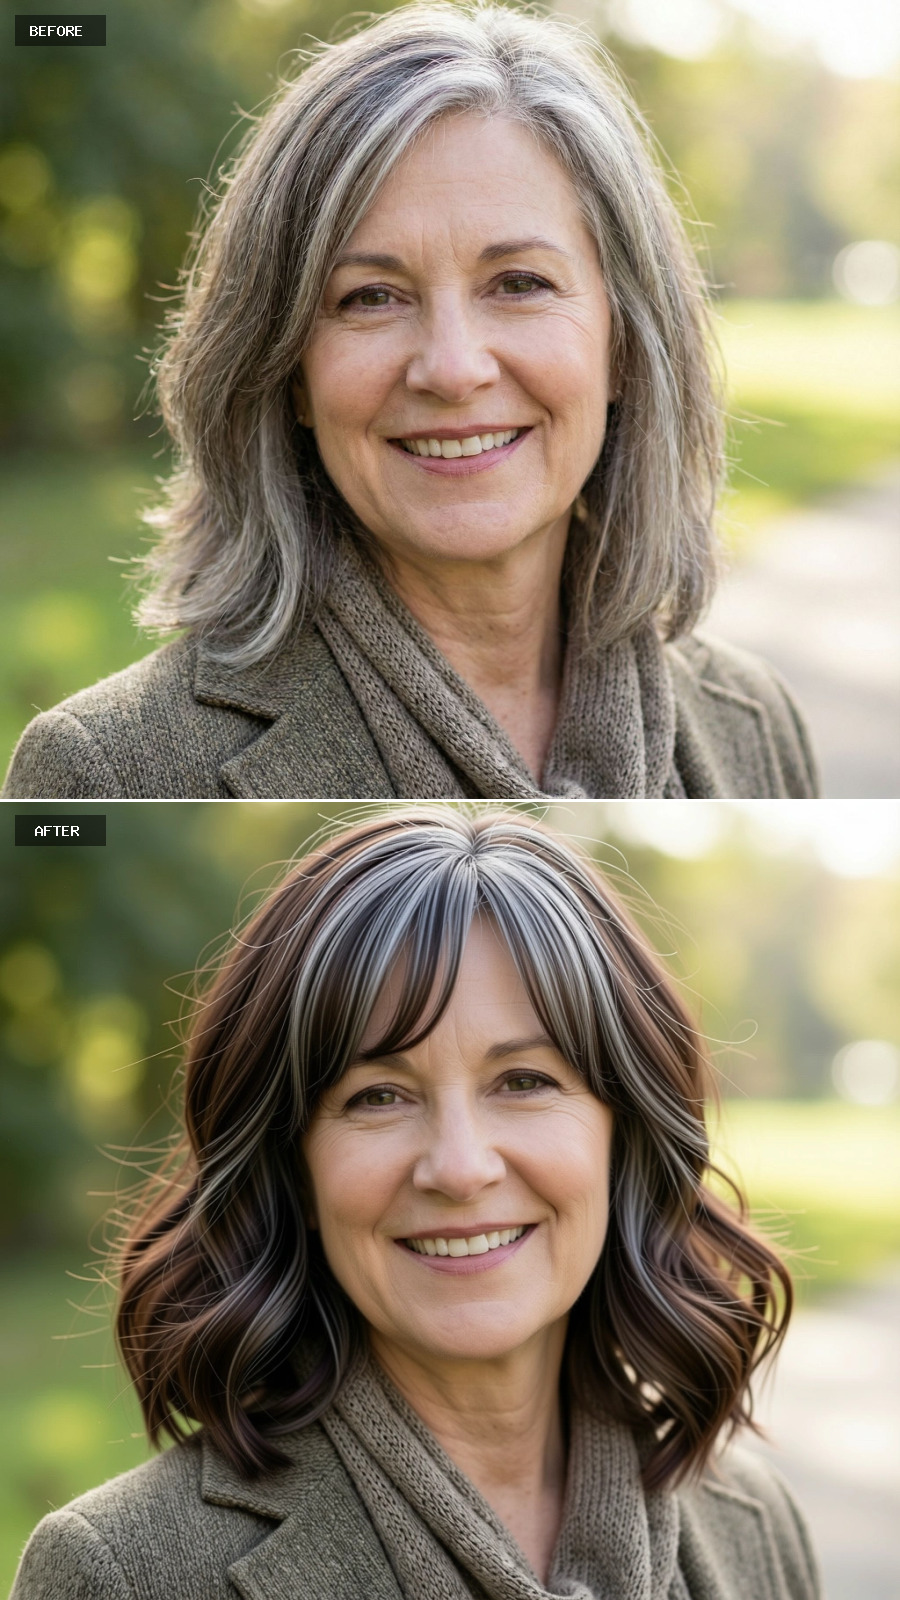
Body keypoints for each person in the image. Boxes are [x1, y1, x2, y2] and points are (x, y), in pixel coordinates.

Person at [3, 4, 817, 802]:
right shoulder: (105, 770)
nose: (453, 368)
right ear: (288, 372)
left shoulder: (754, 721)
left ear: (627, 346)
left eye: (520, 283)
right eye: (371, 298)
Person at [12, 808, 821, 1598]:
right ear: (292, 1162)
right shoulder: (121, 1573)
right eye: (378, 1096)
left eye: (524, 1081)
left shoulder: (753, 1522)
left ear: (625, 1133)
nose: (460, 1168)